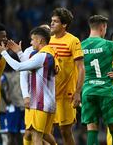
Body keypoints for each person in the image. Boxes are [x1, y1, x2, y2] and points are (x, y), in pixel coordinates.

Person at [0, 26, 60, 145]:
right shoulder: (51, 53)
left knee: (36, 135)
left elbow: (19, 67)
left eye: (33, 39)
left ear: (40, 40)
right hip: (49, 101)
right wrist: (19, 52)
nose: (31, 42)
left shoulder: (42, 56)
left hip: (41, 102)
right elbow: (30, 67)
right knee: (45, 134)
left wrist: (3, 53)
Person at [81, 15, 113, 145]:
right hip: (106, 91)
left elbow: (76, 70)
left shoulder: (81, 46)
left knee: (91, 127)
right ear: (103, 27)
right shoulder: (109, 45)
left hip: (88, 90)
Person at [49, 8, 85, 145]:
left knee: (65, 131)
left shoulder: (73, 41)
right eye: (51, 21)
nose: (52, 24)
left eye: (55, 21)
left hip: (66, 94)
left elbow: (81, 68)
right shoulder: (48, 40)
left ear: (64, 25)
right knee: (47, 131)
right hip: (50, 93)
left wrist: (77, 92)